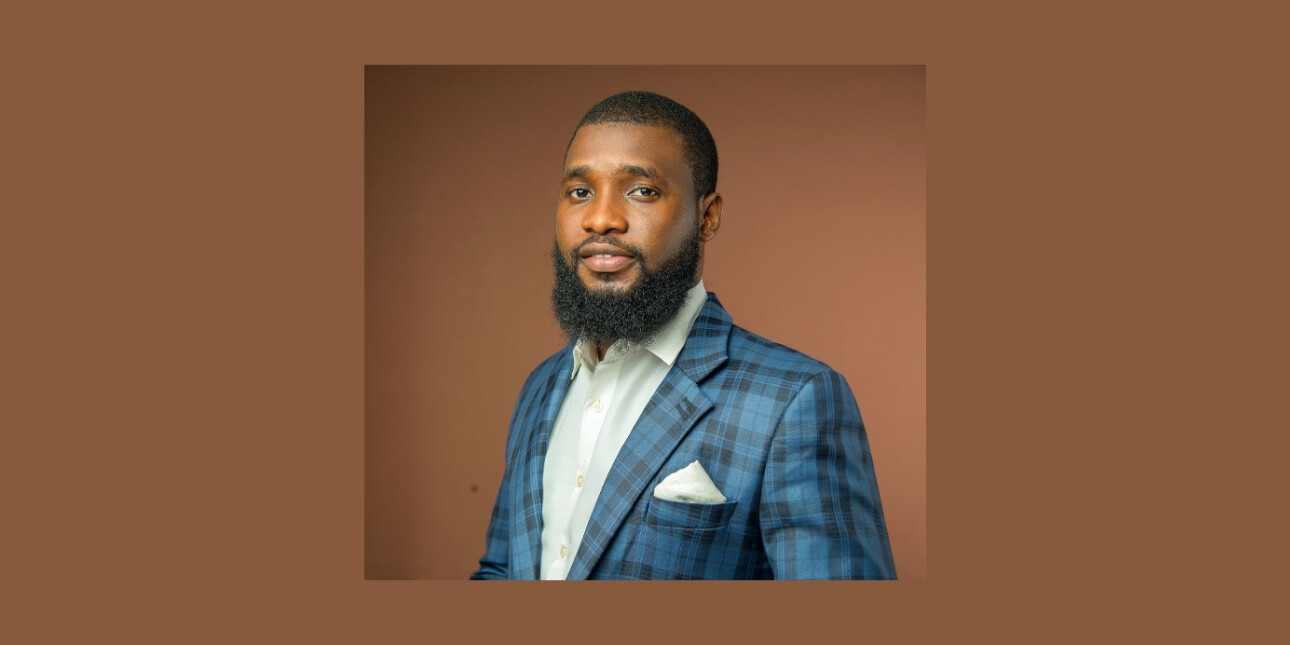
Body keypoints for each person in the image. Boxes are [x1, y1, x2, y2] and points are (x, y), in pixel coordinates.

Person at [470, 91, 896, 580]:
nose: (600, 218)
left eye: (642, 191)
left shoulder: (794, 401)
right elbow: (502, 569)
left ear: (707, 216)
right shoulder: (539, 388)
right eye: (580, 192)